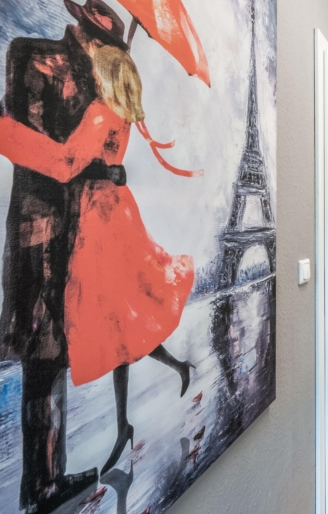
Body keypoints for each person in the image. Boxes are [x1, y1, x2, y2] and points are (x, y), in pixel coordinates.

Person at [0, 45, 197, 479]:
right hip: (118, 213)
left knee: (115, 320)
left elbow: (66, 163)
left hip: (96, 222)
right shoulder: (123, 116)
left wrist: (6, 132)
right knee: (122, 319)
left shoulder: (98, 112)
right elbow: (101, 162)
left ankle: (131, 416)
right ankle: (132, 415)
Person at [0, 0, 129, 513]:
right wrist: (97, 157)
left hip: (73, 232)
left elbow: (77, 157)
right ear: (85, 36)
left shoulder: (95, 89)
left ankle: (46, 480)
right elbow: (39, 147)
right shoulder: (32, 55)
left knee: (53, 355)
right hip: (40, 231)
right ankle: (44, 486)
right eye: (103, 45)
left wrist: (107, 153)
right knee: (42, 352)